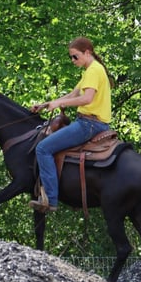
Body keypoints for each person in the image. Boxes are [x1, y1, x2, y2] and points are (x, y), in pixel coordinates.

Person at [29, 37, 114, 213]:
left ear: (87, 52)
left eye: (75, 56)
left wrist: (60, 104)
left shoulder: (93, 70)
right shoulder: (92, 70)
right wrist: (47, 104)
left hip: (88, 124)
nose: (73, 60)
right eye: (71, 57)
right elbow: (73, 94)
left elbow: (87, 98)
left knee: (43, 148)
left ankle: (50, 199)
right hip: (95, 124)